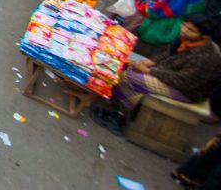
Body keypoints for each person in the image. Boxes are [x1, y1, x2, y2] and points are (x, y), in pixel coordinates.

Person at [93, 15, 221, 136]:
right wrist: (147, 63)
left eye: (191, 30)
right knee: (127, 67)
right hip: (170, 73)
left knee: (128, 77)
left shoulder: (206, 56)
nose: (184, 30)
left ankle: (123, 114)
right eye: (184, 26)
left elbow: (183, 81)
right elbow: (166, 54)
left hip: (187, 91)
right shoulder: (186, 39)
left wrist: (148, 71)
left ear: (205, 37)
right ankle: (127, 108)